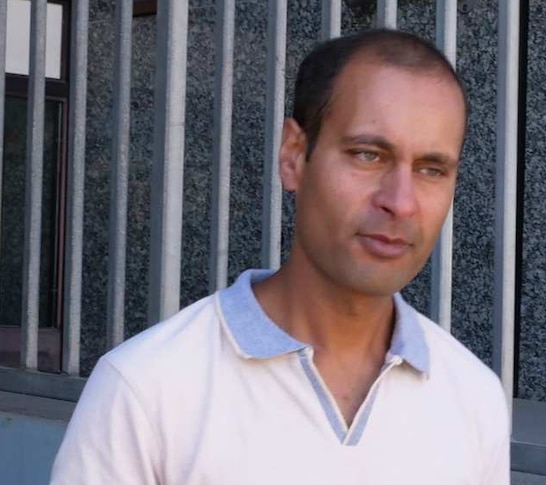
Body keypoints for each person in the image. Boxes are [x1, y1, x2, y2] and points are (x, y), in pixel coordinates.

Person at [51, 29, 510, 484]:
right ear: (294, 156)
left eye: (432, 169)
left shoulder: (472, 397)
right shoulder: (147, 392)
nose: (401, 201)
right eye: (368, 155)